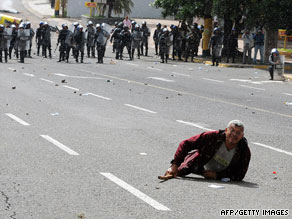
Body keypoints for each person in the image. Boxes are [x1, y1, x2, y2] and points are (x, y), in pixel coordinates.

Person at [159, 120, 251, 182]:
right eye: (232, 130)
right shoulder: (212, 137)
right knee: (177, 172)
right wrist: (175, 165)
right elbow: (186, 144)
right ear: (226, 130)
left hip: (220, 174)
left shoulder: (244, 151)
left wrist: (217, 176)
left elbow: (240, 174)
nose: (234, 134)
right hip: (197, 165)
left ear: (242, 136)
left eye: (238, 133)